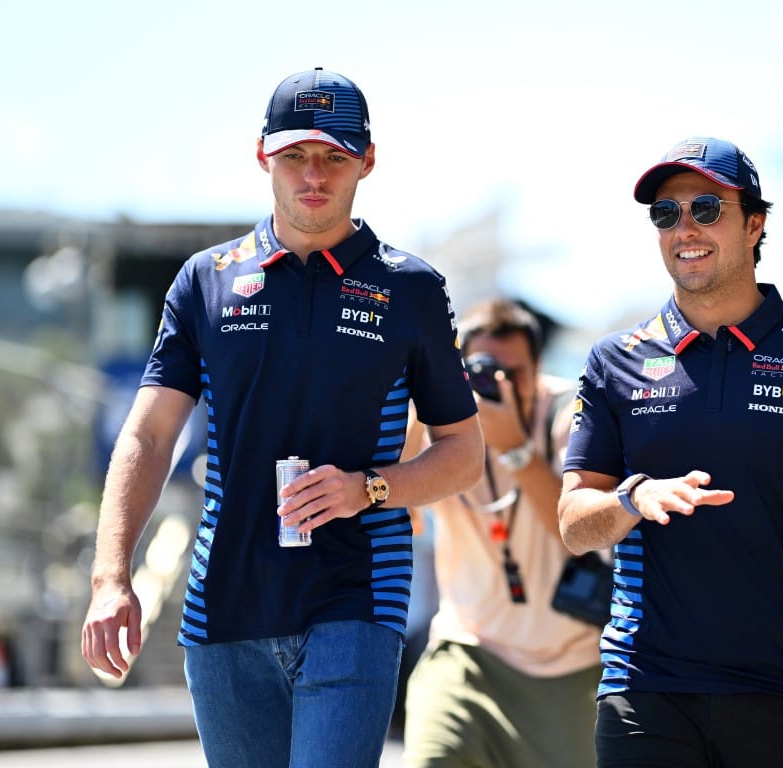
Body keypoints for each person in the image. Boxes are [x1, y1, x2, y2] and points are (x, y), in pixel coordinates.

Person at [79, 67, 484, 768]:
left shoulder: (411, 288)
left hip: (356, 599)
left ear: (369, 160)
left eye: (334, 156)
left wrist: (370, 488)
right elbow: (147, 435)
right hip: (223, 607)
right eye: (295, 155)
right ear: (262, 154)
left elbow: (462, 452)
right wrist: (110, 577)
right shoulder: (205, 280)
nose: (313, 176)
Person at [557, 136, 783, 768]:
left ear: (755, 224)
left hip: (778, 682)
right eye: (666, 213)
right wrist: (633, 497)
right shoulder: (613, 360)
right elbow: (574, 523)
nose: (685, 227)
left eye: (707, 208)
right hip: (643, 684)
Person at [401, 298, 602, 768]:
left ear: (539, 369)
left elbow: (576, 531)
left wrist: (514, 446)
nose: (502, 386)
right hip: (468, 650)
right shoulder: (443, 423)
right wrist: (417, 407)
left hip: (569, 665)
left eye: (515, 374)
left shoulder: (569, 416)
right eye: (486, 371)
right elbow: (404, 519)